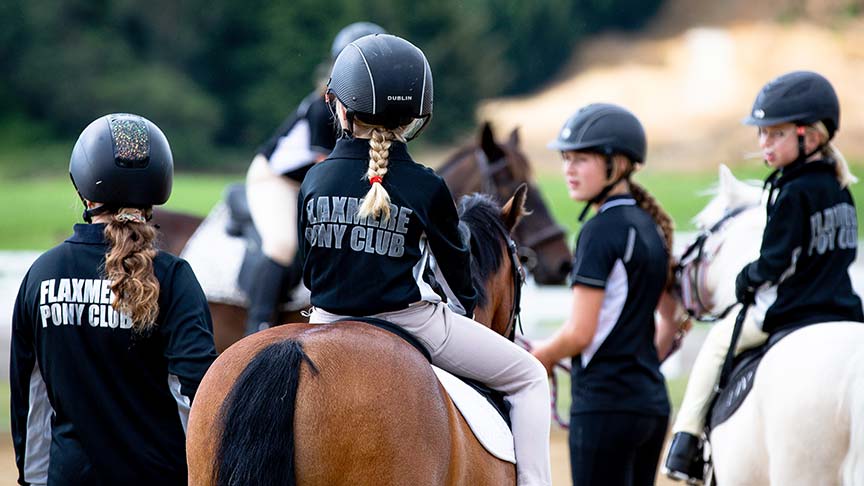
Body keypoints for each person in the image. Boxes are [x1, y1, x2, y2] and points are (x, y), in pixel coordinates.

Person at [298, 33, 552, 486]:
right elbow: (461, 283)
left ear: (339, 107)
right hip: (409, 323)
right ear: (416, 117)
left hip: (324, 322)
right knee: (531, 377)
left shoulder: (314, 179)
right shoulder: (425, 185)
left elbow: (309, 270)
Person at [664, 70, 864, 483]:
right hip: (843, 306)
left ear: (809, 136)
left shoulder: (791, 192)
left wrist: (744, 280)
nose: (763, 145)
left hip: (794, 308)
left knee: (718, 343)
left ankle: (685, 444)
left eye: (775, 135)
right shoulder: (842, 188)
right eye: (762, 135)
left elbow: (773, 262)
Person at [10, 113, 218, 485]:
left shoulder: (42, 274)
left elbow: (33, 401)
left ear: (83, 186)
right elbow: (194, 397)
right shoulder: (173, 278)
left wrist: (34, 480)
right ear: (159, 185)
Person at [529, 103, 685, 486]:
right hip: (650, 405)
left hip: (605, 408)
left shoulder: (598, 233)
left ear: (617, 165)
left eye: (582, 159)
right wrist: (643, 360)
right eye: (566, 159)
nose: (569, 169)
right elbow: (672, 318)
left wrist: (540, 356)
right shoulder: (652, 228)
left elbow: (580, 334)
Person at [244, 21, 385, 335]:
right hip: (277, 181)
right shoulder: (324, 110)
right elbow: (331, 170)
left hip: (314, 182)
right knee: (282, 244)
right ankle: (258, 326)